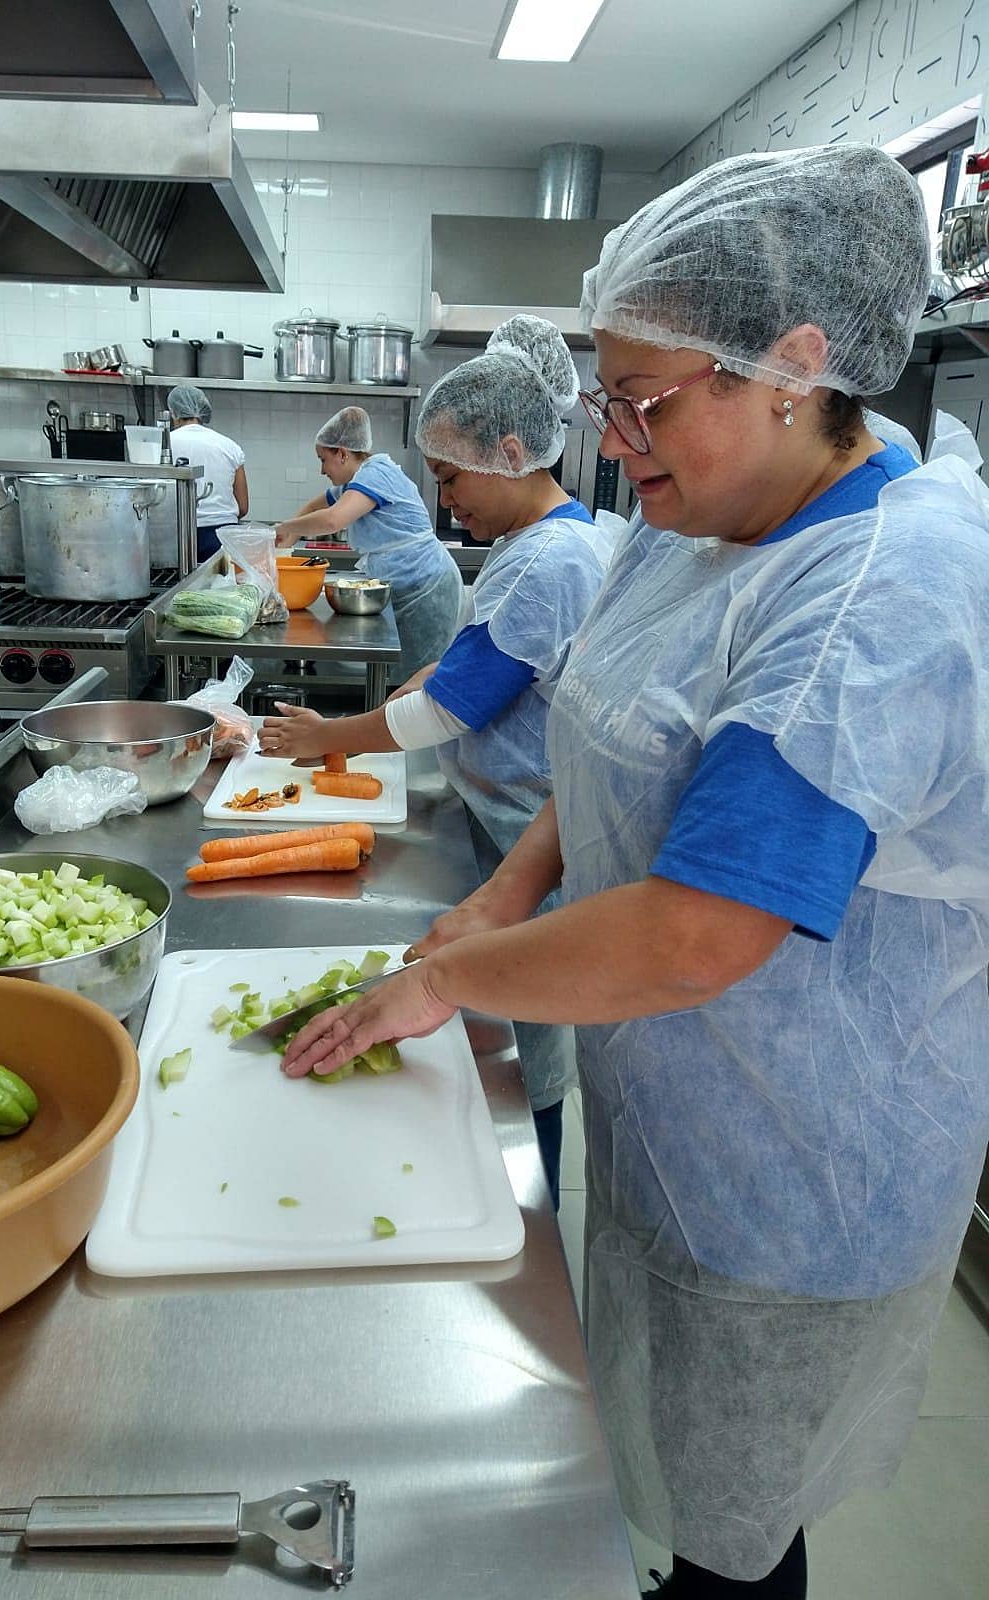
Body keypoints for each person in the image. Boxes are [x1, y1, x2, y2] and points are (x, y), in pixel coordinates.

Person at [276, 145, 989, 1599]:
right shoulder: (697, 520)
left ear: (791, 367)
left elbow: (696, 934)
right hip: (683, 1099)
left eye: (645, 400)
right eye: (608, 397)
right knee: (667, 1451)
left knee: (741, 1519)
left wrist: (455, 978)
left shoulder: (876, 596)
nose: (615, 439)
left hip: (801, 1152)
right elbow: (610, 720)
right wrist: (503, 892)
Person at [259, 317, 616, 1202]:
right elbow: (458, 667)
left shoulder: (550, 562)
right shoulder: (534, 545)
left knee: (527, 1044)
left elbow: (445, 711)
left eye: (453, 477)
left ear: (508, 451)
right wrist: (371, 713)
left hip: (530, 837)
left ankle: (525, 1186)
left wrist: (327, 739)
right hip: (500, 823)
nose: (445, 498)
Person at [272, 405, 463, 676]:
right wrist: (291, 532)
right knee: (400, 674)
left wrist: (284, 527)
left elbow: (332, 520)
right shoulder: (358, 479)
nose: (321, 470)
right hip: (407, 582)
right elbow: (319, 504)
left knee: (419, 677)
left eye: (323, 459)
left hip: (426, 585)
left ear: (342, 453)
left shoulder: (376, 473)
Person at [166, 383, 249, 562]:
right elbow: (243, 507)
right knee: (218, 587)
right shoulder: (230, 446)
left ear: (173, 413)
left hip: (173, 535)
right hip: (221, 536)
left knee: (175, 587)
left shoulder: (163, 444)